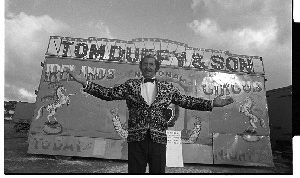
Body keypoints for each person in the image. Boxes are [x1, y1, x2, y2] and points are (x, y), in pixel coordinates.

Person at [68, 54, 234, 174]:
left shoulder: (168, 88)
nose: (148, 67)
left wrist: (212, 103)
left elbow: (187, 101)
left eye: (151, 64)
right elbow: (108, 94)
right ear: (141, 67)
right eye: (145, 64)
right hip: (136, 139)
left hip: (158, 139)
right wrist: (85, 82)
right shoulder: (130, 85)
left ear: (156, 68)